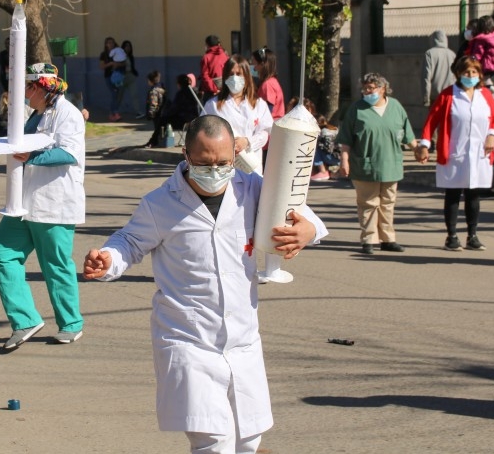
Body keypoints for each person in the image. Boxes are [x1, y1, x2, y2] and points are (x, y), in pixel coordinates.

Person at [83, 114, 327, 454]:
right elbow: (129, 243)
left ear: (234, 154)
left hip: (241, 339)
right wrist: (109, 259)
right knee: (212, 442)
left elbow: (301, 212)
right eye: (204, 163)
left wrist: (308, 231)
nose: (215, 171)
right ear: (186, 155)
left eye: (224, 162)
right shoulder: (160, 204)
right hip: (188, 340)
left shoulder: (253, 189)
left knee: (249, 439)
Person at [0, 63, 85, 349]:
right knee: (1, 255)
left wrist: (29, 156)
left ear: (41, 87)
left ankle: (70, 323)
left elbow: (68, 153)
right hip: (23, 202)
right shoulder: (35, 114)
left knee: (55, 265)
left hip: (55, 203)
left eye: (27, 88)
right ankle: (25, 319)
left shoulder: (69, 115)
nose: (24, 94)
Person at [416, 56, 494, 251]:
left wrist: (491, 135)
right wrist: (424, 145)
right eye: (466, 72)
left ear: (480, 74)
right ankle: (452, 236)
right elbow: (432, 121)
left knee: (474, 194)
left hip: (479, 153)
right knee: (453, 194)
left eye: (473, 72)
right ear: (458, 74)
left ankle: (472, 235)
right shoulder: (448, 95)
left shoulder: (486, 95)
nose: (470, 76)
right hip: (454, 152)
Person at [337, 73, 418, 254]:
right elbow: (345, 139)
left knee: (388, 203)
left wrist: (418, 150)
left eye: (370, 88)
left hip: (391, 164)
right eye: (364, 89)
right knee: (368, 203)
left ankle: (388, 239)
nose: (366, 92)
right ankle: (369, 239)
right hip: (365, 165)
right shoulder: (356, 109)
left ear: (382, 89)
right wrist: (344, 160)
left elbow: (407, 134)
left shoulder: (395, 107)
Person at [203, 54, 273, 174]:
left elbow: (265, 132)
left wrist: (247, 142)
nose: (234, 78)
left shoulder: (258, 104)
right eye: (231, 74)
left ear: (246, 76)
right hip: (223, 167)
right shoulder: (213, 105)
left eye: (239, 74)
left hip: (251, 165)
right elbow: (204, 132)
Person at [145, 74, 200, 148]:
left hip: (184, 120)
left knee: (163, 121)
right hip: (194, 118)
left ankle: (153, 141)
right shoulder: (193, 91)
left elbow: (174, 109)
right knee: (164, 120)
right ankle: (155, 140)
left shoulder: (181, 94)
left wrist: (165, 113)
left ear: (179, 84)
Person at [467, 15, 494, 90]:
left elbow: (477, 55)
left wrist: (470, 61)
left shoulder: (481, 39)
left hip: (487, 69)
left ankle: (489, 87)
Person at [422, 30, 456, 106]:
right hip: (450, 95)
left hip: (435, 97)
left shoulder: (429, 53)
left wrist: (426, 98)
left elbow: (426, 77)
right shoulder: (452, 54)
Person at [253, 47, 285, 120]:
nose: (254, 69)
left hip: (271, 126)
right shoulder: (272, 82)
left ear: (262, 64)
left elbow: (267, 110)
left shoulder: (268, 85)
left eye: (255, 64)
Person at [99, 37, 126, 122]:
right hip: (108, 77)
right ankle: (115, 113)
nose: (110, 44)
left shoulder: (118, 52)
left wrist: (118, 65)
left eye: (112, 43)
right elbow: (102, 66)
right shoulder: (104, 54)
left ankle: (113, 113)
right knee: (114, 93)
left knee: (119, 95)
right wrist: (110, 64)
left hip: (118, 76)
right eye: (108, 43)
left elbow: (124, 63)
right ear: (106, 44)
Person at [199, 35, 228, 102]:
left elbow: (205, 76)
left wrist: (214, 89)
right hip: (224, 89)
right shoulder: (225, 55)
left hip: (210, 92)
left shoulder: (206, 57)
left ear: (207, 45)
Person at [119, 40, 144, 119]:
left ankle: (138, 111)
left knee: (134, 94)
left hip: (130, 76)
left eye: (129, 46)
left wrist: (134, 73)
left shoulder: (130, 56)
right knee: (119, 95)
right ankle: (115, 112)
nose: (128, 48)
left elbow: (132, 66)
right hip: (122, 77)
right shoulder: (119, 56)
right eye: (126, 46)